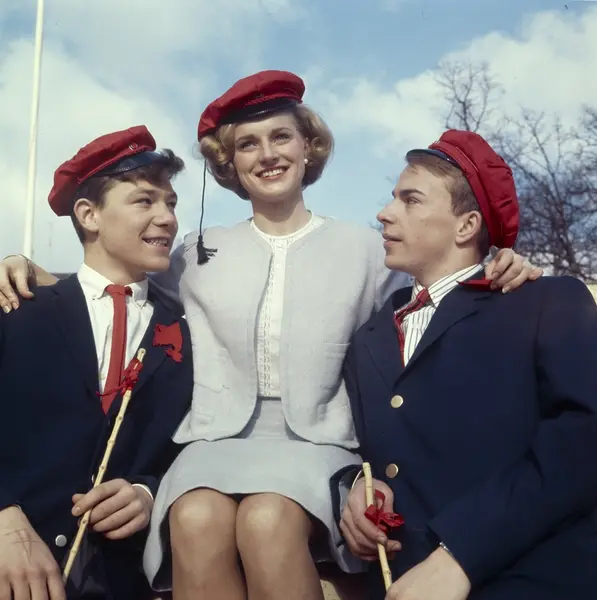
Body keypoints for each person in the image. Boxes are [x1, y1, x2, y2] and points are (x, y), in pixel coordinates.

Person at [0, 71, 540, 600]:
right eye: (247, 144)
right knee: (194, 518)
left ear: (308, 147)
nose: (267, 154)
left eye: (281, 136)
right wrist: (25, 267)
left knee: (268, 520)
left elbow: (435, 297)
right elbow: (109, 280)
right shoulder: (191, 254)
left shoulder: (369, 252)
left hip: (319, 444)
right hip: (210, 444)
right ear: (229, 163)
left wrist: (498, 261)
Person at [339, 129, 597, 600]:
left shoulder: (546, 302)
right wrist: (358, 486)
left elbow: (583, 437)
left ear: (466, 226)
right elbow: (365, 446)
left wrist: (462, 555)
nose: (384, 212)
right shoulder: (368, 336)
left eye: (410, 200)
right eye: (393, 198)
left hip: (531, 578)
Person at [0, 126, 194, 600]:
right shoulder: (17, 309)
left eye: (171, 204)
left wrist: (149, 493)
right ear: (89, 215)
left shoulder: (189, 333)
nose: (167, 218)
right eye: (145, 201)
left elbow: (190, 447)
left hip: (125, 579)